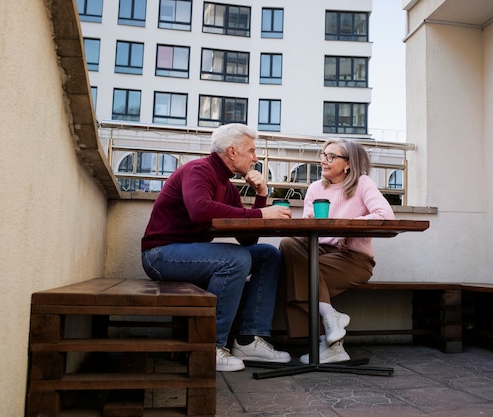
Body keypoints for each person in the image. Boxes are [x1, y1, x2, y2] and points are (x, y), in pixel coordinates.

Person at [141, 123, 292, 372]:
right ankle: (210, 346)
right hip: (160, 255)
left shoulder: (228, 186)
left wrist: (261, 195)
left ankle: (248, 339)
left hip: (190, 255)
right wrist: (262, 213)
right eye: (251, 151)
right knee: (236, 259)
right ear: (232, 152)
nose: (255, 158)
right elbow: (200, 210)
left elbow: (248, 240)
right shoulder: (199, 170)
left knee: (267, 254)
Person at [279, 138, 395, 364]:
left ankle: (330, 344)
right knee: (287, 244)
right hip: (318, 252)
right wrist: (306, 225)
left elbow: (385, 216)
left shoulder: (362, 183)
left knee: (297, 277)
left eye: (331, 156)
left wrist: (344, 226)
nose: (324, 160)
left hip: (354, 259)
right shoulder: (315, 188)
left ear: (348, 164)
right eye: (323, 155)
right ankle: (331, 321)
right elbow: (308, 235)